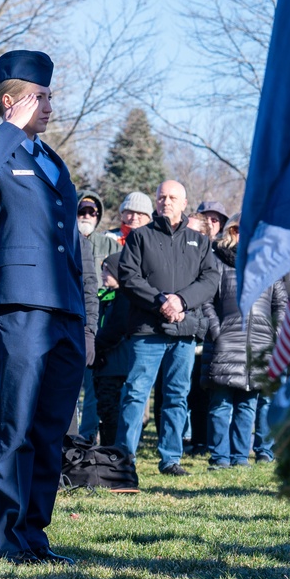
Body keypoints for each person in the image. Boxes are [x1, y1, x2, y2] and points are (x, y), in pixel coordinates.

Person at [0, 49, 86, 565]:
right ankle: (9, 536)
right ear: (12, 101)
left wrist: (84, 316)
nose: (51, 105)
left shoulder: (52, 161)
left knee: (51, 428)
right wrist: (9, 124)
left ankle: (36, 534)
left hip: (64, 310)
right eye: (41, 96)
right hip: (17, 308)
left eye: (51, 96)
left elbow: (69, 241)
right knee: (15, 424)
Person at [116, 180, 220, 476]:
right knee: (136, 393)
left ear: (184, 203)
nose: (166, 202)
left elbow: (210, 279)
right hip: (147, 329)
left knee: (177, 395)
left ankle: (171, 458)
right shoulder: (140, 237)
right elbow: (128, 276)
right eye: (161, 197)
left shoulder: (199, 241)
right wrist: (161, 301)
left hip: (184, 331)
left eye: (173, 197)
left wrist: (182, 301)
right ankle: (125, 458)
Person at [201, 213, 287, 469]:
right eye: (239, 230)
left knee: (248, 406)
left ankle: (240, 458)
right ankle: (219, 458)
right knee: (221, 406)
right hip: (225, 343)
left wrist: (274, 332)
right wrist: (216, 331)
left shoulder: (269, 266)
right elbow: (206, 301)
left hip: (258, 346)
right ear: (231, 232)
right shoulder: (217, 262)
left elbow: (280, 303)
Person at [76, 190, 120, 440]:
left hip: (102, 322)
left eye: (92, 212)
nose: (86, 216)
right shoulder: (63, 240)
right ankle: (68, 433)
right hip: (71, 317)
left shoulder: (109, 244)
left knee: (93, 384)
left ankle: (88, 434)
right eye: (81, 210)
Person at [93, 253, 131, 448]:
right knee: (105, 408)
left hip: (116, 364)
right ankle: (107, 448)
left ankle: (114, 450)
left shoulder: (124, 298)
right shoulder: (105, 297)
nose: (103, 273)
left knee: (112, 408)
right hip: (104, 363)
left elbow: (116, 329)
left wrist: (95, 346)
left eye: (108, 269)